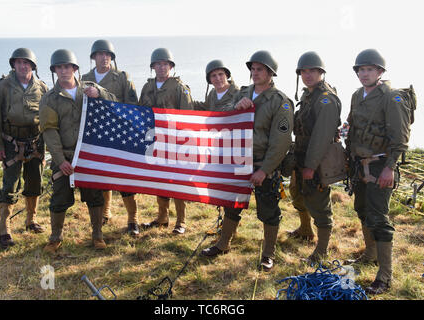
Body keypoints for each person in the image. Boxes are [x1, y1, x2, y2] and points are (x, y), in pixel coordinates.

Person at [201, 50, 294, 271]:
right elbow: (223, 118)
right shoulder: (243, 93)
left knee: (268, 211)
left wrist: (266, 170)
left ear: (271, 72)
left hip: (264, 165)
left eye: (260, 69)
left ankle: (268, 254)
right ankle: (223, 244)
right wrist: (236, 107)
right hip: (239, 161)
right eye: (252, 69)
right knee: (232, 205)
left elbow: (280, 142)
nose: (255, 73)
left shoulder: (281, 102)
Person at [345, 49, 411, 294]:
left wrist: (390, 168)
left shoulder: (391, 97)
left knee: (379, 219)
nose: (364, 74)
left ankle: (384, 276)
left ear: (380, 72)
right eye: (361, 70)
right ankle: (370, 255)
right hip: (359, 164)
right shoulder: (356, 95)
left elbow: (400, 137)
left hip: (381, 165)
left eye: (369, 69)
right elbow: (352, 126)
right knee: (362, 210)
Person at [39, 49, 117, 253]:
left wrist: (100, 93)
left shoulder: (89, 89)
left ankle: (97, 235)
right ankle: (55, 237)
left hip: (88, 155)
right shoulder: (49, 98)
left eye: (68, 67)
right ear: (54, 70)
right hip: (64, 156)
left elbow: (114, 104)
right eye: (59, 67)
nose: (64, 71)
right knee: (59, 198)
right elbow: (49, 131)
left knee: (95, 196)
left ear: (75, 69)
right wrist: (60, 160)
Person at [0, 48, 48, 249]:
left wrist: (46, 148)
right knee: (10, 185)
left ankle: (31, 220)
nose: (23, 66)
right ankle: (4, 229)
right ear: (14, 64)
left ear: (33, 66)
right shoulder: (2, 87)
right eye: (19, 62)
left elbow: (48, 120)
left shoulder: (42, 88)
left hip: (36, 142)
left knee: (34, 182)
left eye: (27, 63)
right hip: (11, 143)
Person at [82, 39, 140, 236]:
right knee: (101, 176)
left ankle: (133, 219)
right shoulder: (85, 78)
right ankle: (105, 213)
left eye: (108, 54)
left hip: (119, 134)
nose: (104, 57)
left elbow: (133, 105)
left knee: (125, 180)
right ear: (94, 57)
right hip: (96, 135)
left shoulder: (122, 77)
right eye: (100, 54)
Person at [292, 51, 342, 263]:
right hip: (302, 155)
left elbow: (322, 137)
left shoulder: (325, 99)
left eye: (312, 71)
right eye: (304, 71)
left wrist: (311, 166)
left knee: (319, 204)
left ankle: (321, 252)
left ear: (321, 72)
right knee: (297, 193)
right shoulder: (308, 95)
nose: (308, 75)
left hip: (318, 161)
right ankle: (305, 230)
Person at [139, 48, 194, 235]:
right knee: (160, 180)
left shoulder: (180, 88)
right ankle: (162, 218)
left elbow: (188, 117)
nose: (162, 67)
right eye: (158, 64)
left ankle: (181, 221)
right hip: (155, 140)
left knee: (177, 181)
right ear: (153, 67)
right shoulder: (147, 87)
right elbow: (140, 113)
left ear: (171, 66)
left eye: (165, 64)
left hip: (176, 142)